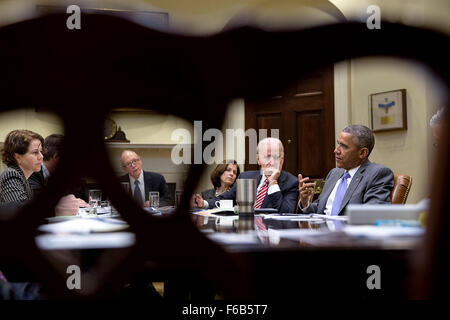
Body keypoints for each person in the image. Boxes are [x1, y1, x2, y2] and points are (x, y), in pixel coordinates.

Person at [298, 125, 394, 216]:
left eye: (344, 146)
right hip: (322, 231)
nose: (336, 150)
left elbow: (373, 212)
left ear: (362, 153)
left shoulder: (378, 174)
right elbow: (319, 209)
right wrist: (305, 202)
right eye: (338, 144)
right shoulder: (333, 173)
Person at [193, 137, 299, 213]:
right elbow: (225, 199)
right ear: (258, 159)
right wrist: (204, 204)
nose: (271, 162)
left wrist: (273, 182)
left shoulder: (291, 182)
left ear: (282, 160)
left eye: (276, 157)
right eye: (267, 157)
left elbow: (286, 212)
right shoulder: (245, 177)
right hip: (243, 230)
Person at [0, 130, 80, 216]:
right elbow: (21, 213)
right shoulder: (12, 174)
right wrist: (54, 208)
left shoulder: (24, 177)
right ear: (17, 157)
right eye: (35, 152)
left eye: (41, 151)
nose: (41, 157)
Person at [28, 134, 88, 207]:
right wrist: (65, 203)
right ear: (56, 157)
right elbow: (38, 203)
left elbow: (85, 200)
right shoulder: (31, 172)